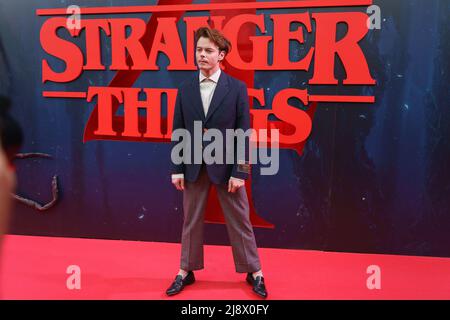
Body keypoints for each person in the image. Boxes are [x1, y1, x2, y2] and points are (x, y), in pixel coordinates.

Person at [166, 27, 267, 298]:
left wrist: (240, 172)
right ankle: (185, 270)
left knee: (240, 220)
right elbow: (179, 130)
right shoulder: (185, 88)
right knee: (191, 220)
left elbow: (244, 133)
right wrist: (177, 168)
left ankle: (254, 271)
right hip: (193, 166)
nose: (202, 55)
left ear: (221, 55)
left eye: (208, 50)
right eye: (199, 50)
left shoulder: (236, 88)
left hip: (228, 168)